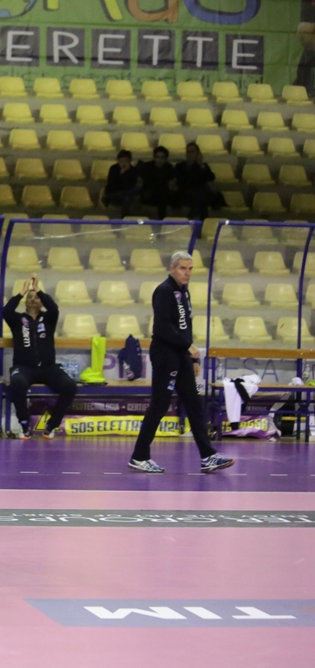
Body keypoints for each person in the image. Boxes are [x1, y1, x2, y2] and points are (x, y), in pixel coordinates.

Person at [128, 251, 235, 474]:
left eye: (190, 269)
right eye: (183, 268)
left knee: (194, 404)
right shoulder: (164, 291)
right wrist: (188, 347)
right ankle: (139, 456)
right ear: (172, 268)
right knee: (160, 404)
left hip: (181, 354)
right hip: (165, 354)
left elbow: (185, 326)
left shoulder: (184, 291)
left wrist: (192, 357)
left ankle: (208, 456)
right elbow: (162, 328)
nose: (187, 273)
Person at [2, 275, 77, 440]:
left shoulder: (49, 318)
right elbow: (6, 311)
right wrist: (22, 292)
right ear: (25, 302)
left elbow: (54, 308)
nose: (33, 299)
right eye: (30, 297)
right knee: (17, 383)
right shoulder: (18, 320)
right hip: (24, 367)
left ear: (41, 301)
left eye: (36, 297)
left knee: (70, 386)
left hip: (48, 368)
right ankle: (24, 424)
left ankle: (52, 425)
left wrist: (38, 289)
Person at [172, 142, 216, 220]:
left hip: (199, 192)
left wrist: (201, 165)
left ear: (197, 153)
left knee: (202, 192)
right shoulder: (179, 166)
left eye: (192, 152)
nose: (190, 154)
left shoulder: (202, 166)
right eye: (188, 152)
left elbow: (211, 178)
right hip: (185, 192)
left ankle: (198, 214)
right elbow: (178, 180)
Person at [137, 146, 175, 219]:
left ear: (166, 159)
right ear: (154, 158)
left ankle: (161, 220)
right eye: (157, 157)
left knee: (164, 194)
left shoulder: (169, 168)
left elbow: (170, 183)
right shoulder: (147, 166)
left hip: (163, 195)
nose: (159, 160)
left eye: (162, 157)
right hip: (149, 194)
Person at [103, 150, 140, 217]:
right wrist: (121, 174)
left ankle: (125, 216)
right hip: (113, 194)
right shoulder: (113, 168)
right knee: (134, 191)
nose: (123, 163)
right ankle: (126, 216)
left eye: (126, 161)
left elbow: (131, 185)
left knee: (129, 196)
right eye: (121, 161)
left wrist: (126, 173)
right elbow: (112, 185)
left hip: (126, 194)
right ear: (118, 161)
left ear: (130, 161)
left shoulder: (133, 170)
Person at [296, 0, 315, 92]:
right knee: (310, 52)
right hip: (309, 18)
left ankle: (301, 84)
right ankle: (302, 85)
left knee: (309, 54)